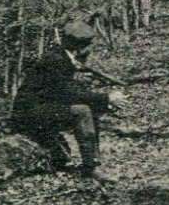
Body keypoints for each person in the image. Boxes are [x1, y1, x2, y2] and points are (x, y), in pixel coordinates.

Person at [10, 20, 120, 181]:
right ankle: (90, 168)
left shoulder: (62, 56)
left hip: (40, 108)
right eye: (88, 44)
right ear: (81, 46)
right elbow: (67, 93)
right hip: (28, 114)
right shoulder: (56, 60)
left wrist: (102, 102)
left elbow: (68, 91)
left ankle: (93, 161)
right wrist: (106, 98)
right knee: (82, 112)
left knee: (89, 109)